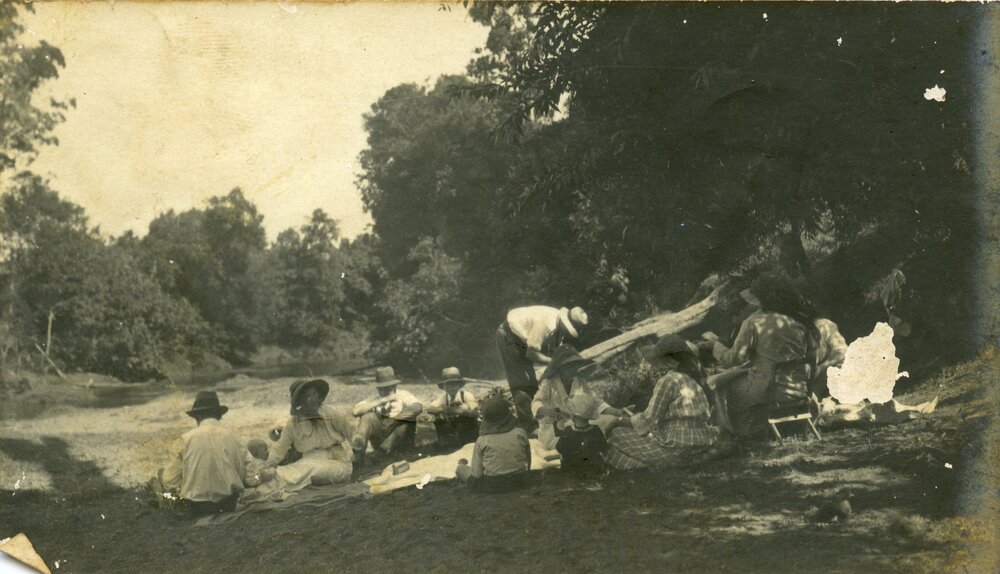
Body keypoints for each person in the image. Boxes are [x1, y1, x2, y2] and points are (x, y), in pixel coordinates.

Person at [712, 272, 821, 437]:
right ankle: (770, 426)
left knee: (723, 387)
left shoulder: (754, 322)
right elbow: (812, 357)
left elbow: (732, 360)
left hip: (769, 390)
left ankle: (739, 432)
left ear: (762, 298)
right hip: (800, 390)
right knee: (749, 381)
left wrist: (716, 347)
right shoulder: (799, 320)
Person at [604, 335, 718, 470]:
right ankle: (696, 457)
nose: (655, 364)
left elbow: (648, 421)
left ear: (668, 360)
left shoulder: (669, 380)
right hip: (701, 439)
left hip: (676, 444)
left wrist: (617, 421)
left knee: (616, 434)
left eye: (658, 359)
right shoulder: (699, 374)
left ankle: (664, 463)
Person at [496, 305, 589, 432]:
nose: (567, 333)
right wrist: (552, 363)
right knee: (520, 381)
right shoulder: (545, 325)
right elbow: (531, 354)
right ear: (564, 323)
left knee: (532, 380)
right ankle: (528, 425)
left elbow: (554, 350)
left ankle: (539, 417)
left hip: (524, 339)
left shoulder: (559, 324)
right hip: (509, 335)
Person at [160, 391, 246, 515]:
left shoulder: (184, 439)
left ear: (197, 416)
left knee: (162, 475)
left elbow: (170, 481)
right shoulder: (235, 438)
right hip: (227, 505)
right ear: (219, 415)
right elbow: (246, 475)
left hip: (195, 508)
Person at [531, 344, 623, 450]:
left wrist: (617, 412)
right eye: (568, 367)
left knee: (610, 420)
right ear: (560, 368)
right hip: (554, 433)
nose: (573, 370)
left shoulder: (579, 381)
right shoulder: (548, 384)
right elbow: (536, 403)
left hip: (576, 425)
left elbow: (596, 402)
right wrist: (551, 412)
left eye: (575, 366)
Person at [268, 378, 355, 489]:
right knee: (284, 471)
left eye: (314, 394)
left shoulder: (332, 413)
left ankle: (273, 482)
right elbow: (280, 449)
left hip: (336, 462)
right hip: (308, 461)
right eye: (307, 396)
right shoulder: (293, 422)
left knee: (309, 470)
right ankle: (269, 481)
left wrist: (358, 455)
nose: (313, 399)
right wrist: (266, 465)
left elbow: (353, 434)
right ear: (300, 401)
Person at [456, 393, 532, 492]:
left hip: (494, 485)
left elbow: (477, 474)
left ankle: (462, 464)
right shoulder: (520, 433)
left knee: (460, 469)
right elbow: (528, 461)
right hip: (520, 481)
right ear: (507, 414)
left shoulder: (482, 440)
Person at [352, 366, 423, 466]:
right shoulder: (376, 399)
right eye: (380, 389)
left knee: (407, 420)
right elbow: (356, 411)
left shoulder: (403, 395)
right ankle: (358, 455)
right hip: (381, 437)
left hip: (401, 440)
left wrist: (395, 420)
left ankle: (383, 452)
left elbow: (418, 407)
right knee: (367, 417)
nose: (383, 392)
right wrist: (382, 400)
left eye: (386, 388)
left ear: (394, 386)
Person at [426, 366, 479, 450]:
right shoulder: (444, 398)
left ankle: (462, 443)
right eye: (448, 385)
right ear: (444, 387)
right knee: (439, 420)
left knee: (464, 410)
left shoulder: (466, 395)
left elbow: (475, 413)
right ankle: (447, 443)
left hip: (468, 429)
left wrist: (458, 411)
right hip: (453, 429)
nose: (451, 387)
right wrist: (443, 409)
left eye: (454, 384)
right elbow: (429, 409)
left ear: (459, 385)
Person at [555, 393, 608, 474]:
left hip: (572, 471)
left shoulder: (568, 431)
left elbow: (560, 450)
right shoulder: (595, 430)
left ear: (573, 416)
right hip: (593, 470)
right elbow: (604, 449)